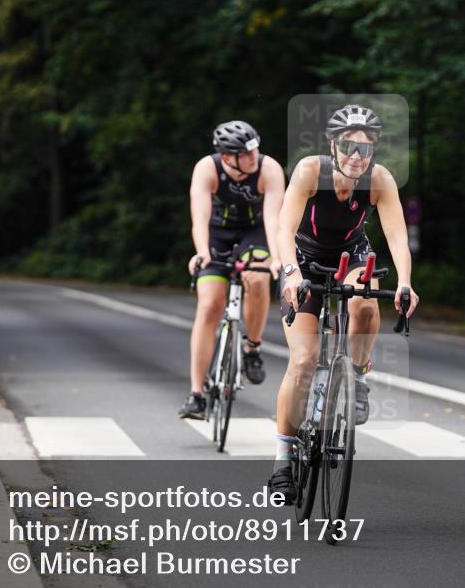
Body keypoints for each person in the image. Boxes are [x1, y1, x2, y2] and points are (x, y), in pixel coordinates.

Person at [270, 104, 420, 501]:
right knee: (303, 361)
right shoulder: (310, 172)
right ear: (333, 145)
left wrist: (405, 282)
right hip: (303, 258)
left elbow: (397, 238)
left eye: (366, 149)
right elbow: (283, 227)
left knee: (367, 303)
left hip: (350, 256)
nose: (357, 156)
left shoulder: (379, 180)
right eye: (349, 146)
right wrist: (290, 274)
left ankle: (355, 375)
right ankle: (282, 462)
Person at [179, 120, 286, 420]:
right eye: (246, 153)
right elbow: (199, 217)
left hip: (255, 233)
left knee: (258, 277)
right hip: (217, 234)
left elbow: (273, 219)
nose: (254, 156)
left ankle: (252, 347)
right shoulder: (207, 168)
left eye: (255, 149)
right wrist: (202, 252)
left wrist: (275, 258)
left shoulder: (269, 169)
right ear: (227, 158)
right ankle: (197, 394)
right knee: (210, 305)